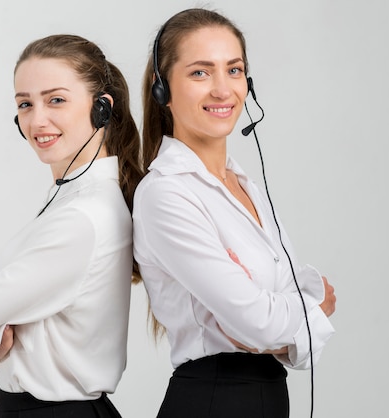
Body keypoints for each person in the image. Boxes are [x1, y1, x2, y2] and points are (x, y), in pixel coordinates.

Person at [132, 8, 336, 417]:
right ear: (162, 89)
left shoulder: (246, 187)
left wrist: (280, 322)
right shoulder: (166, 194)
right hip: (214, 400)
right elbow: (262, 321)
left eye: (235, 70)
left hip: (266, 399)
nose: (223, 89)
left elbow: (276, 319)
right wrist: (310, 314)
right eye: (200, 73)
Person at [0, 34, 142, 418]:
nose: (36, 120)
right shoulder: (77, 200)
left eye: (56, 100)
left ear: (101, 108)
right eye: (24, 104)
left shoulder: (82, 217)